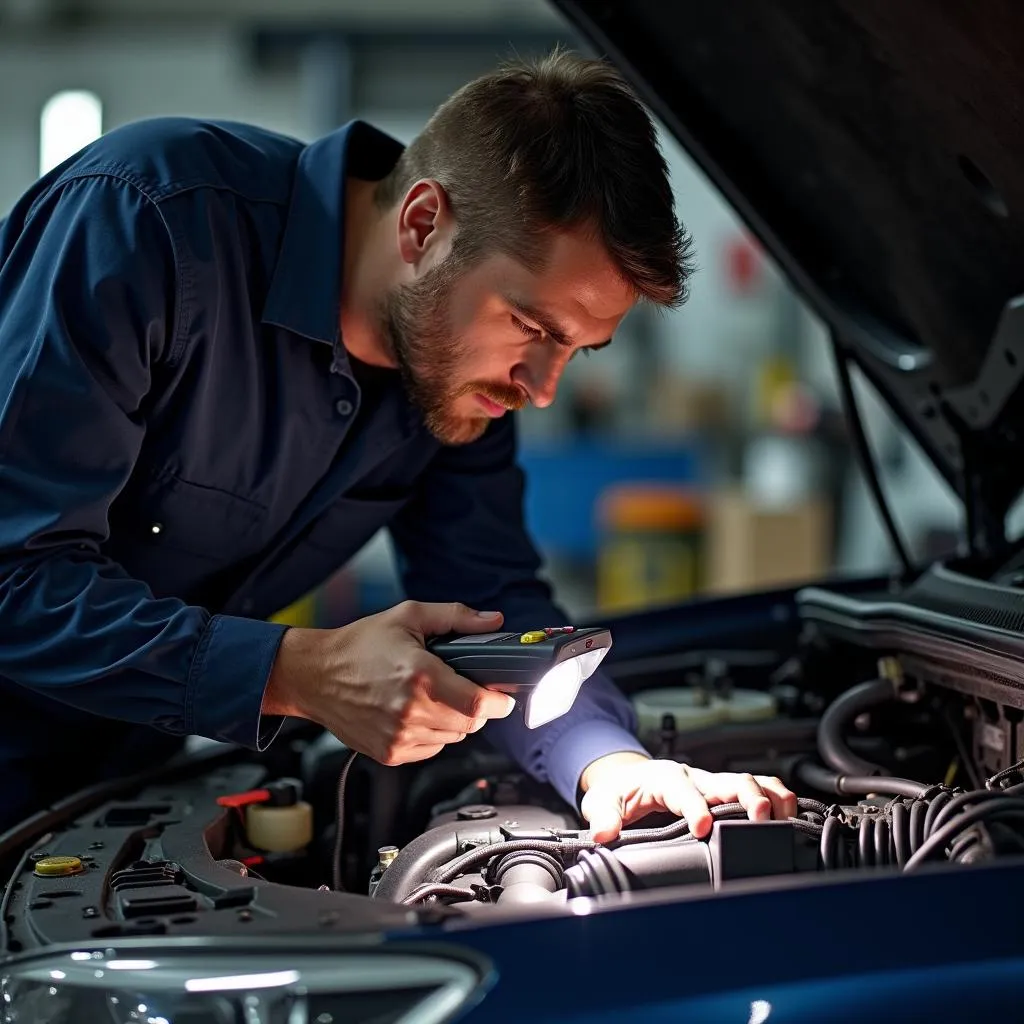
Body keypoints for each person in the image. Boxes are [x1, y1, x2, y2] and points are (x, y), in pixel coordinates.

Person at [0, 49, 795, 840]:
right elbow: (12, 575)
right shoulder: (150, 221)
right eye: (532, 327)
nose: (544, 387)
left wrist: (608, 764)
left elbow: (496, 603)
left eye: (579, 349)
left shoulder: (456, 369)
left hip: (108, 786)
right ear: (422, 225)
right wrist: (294, 672)